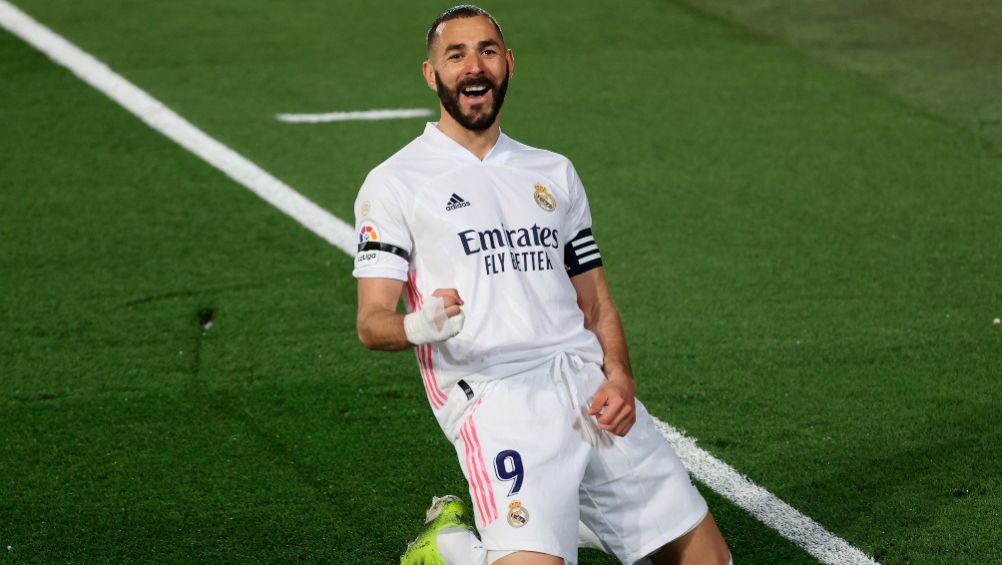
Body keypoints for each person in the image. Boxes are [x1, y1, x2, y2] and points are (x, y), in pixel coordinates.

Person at [352, 5, 731, 564]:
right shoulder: (396, 182)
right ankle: (456, 550)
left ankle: (566, 520)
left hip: (585, 386)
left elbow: (596, 300)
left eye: (486, 51)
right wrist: (419, 324)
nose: (473, 67)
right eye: (455, 55)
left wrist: (621, 378)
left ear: (508, 64)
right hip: (496, 398)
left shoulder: (553, 172)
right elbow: (370, 323)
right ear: (432, 75)